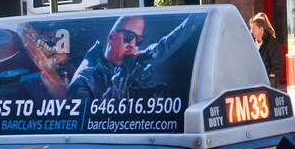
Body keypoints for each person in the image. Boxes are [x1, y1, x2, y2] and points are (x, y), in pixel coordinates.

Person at [68, 13, 198, 102]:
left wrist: (195, 20)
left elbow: (162, 47)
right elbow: (92, 124)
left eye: (138, 40)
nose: (133, 45)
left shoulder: (129, 59)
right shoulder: (84, 81)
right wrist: (123, 74)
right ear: (111, 37)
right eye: (128, 37)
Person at [249, 12, 284, 88]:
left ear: (261, 29)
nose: (251, 31)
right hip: (253, 80)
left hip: (267, 81)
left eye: (253, 28)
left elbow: (277, 63)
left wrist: (272, 74)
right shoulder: (250, 42)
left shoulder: (272, 43)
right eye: (251, 28)